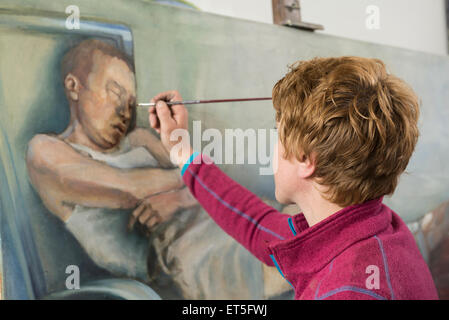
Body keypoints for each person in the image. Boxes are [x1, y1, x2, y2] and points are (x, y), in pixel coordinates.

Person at [148, 56, 439, 300]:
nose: (274, 148)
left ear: (305, 160)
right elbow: (257, 226)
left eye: (279, 136)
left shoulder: (346, 291)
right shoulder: (375, 228)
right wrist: (181, 152)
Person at [26, 39, 285, 299]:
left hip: (215, 219)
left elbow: (199, 181)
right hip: (179, 253)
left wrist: (178, 198)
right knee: (294, 259)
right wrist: (188, 174)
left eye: (130, 102)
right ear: (74, 87)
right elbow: (129, 189)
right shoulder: (45, 151)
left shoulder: (138, 140)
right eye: (115, 92)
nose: (124, 111)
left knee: (298, 222)